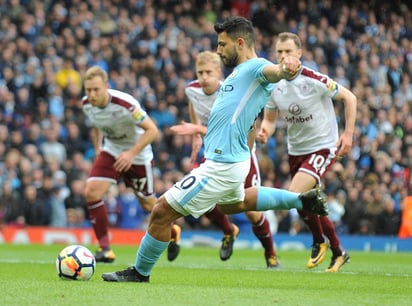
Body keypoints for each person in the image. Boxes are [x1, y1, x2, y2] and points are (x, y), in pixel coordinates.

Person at [102, 16, 327, 283]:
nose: (218, 50)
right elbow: (248, 121)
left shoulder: (257, 67)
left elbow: (277, 72)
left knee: (161, 211)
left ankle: (140, 272)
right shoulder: (239, 74)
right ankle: (299, 200)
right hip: (232, 161)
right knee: (235, 204)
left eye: (222, 44)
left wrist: (288, 66)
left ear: (240, 42)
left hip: (221, 166)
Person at [257, 32, 356, 272]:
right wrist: (264, 131)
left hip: (323, 145)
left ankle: (318, 240)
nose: (283, 56)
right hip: (296, 150)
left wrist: (348, 135)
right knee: (307, 202)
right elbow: (270, 120)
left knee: (295, 195)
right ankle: (339, 251)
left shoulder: (313, 78)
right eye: (279, 52)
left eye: (288, 51)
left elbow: (350, 98)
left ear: (299, 53)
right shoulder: (273, 84)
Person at [170, 50, 279, 268]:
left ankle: (271, 254)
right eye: (200, 72)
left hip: (240, 154)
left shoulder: (228, 92)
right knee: (200, 199)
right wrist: (196, 138)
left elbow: (229, 127)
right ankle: (229, 231)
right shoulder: (192, 90)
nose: (204, 77)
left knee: (250, 211)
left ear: (218, 72)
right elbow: (194, 106)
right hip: (214, 154)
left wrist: (197, 128)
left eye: (208, 72)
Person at [82, 66, 180, 263]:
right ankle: (105, 249)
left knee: (147, 203)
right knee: (91, 192)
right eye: (88, 90)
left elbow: (152, 130)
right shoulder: (87, 105)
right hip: (112, 150)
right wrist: (98, 147)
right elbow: (96, 125)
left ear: (106, 87)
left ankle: (173, 230)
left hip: (138, 154)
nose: (92, 94)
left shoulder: (125, 104)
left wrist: (131, 153)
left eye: (96, 90)